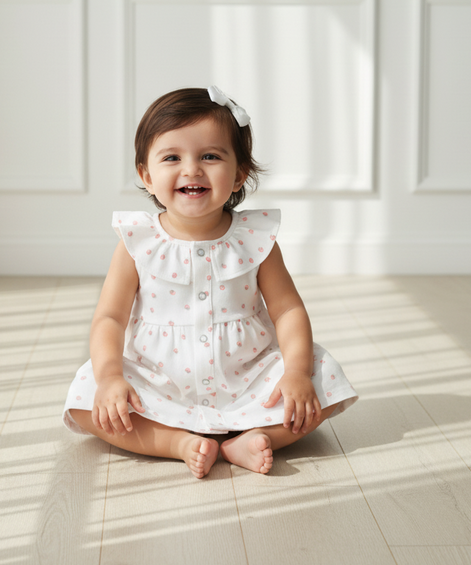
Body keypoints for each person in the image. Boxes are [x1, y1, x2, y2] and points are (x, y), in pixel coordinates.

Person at [63, 86, 357, 477]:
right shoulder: (137, 242)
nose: (191, 169)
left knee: (325, 386)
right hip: (160, 377)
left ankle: (248, 439)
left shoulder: (257, 239)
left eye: (210, 156)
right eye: (172, 157)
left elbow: (287, 310)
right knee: (87, 401)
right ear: (147, 176)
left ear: (239, 175)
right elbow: (110, 320)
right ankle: (178, 443)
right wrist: (111, 377)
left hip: (245, 374)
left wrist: (297, 374)